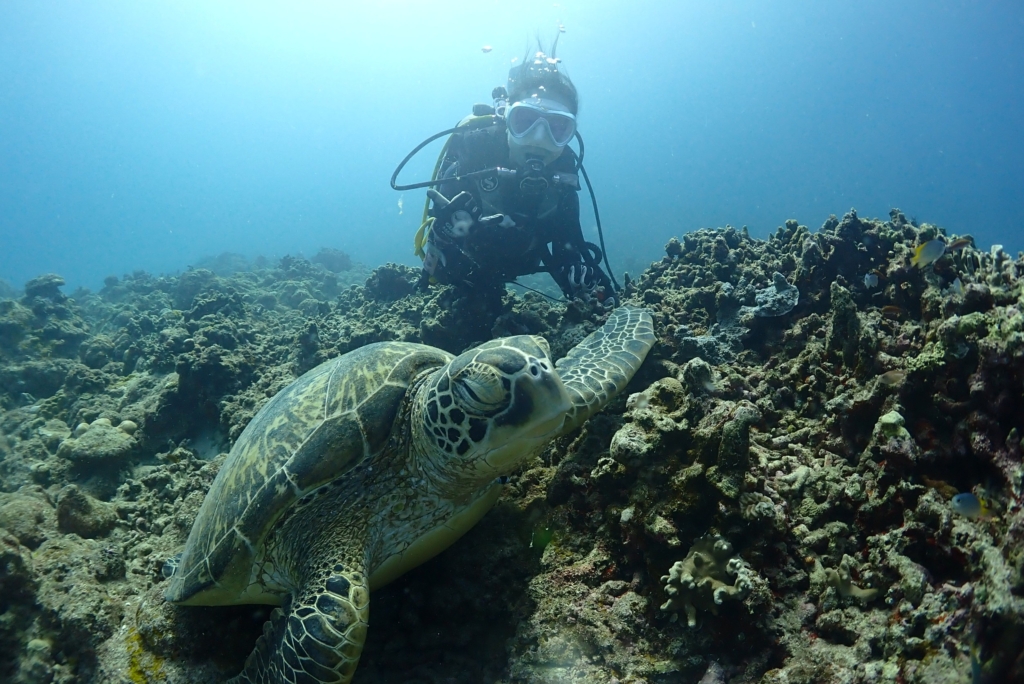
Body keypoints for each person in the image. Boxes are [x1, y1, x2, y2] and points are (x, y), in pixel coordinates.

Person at [416, 45, 616, 306]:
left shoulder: (562, 182)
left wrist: (578, 278)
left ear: (570, 136)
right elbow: (435, 272)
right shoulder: (473, 160)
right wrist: (442, 235)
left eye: (557, 128)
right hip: (471, 268)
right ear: (506, 121)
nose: (539, 139)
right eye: (525, 122)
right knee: (477, 301)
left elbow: (568, 254)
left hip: (529, 256)